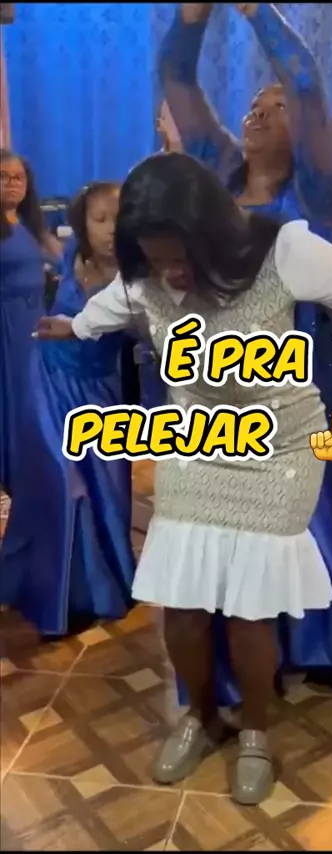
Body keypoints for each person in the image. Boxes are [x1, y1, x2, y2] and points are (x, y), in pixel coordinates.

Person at [35, 153, 332, 803]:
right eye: (156, 260)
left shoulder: (283, 252)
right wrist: (73, 325)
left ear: (211, 230)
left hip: (278, 450)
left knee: (249, 608)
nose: (171, 272)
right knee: (182, 607)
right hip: (196, 445)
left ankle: (255, 732)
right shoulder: (144, 274)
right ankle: (201, 716)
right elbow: (110, 305)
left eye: (180, 257)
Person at [158, 2, 332, 694]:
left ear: (308, 129)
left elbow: (307, 82)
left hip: (307, 366)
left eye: (275, 106)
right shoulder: (219, 175)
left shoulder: (317, 190)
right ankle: (236, 655)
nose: (258, 112)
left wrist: (257, 11)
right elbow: (177, 80)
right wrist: (191, 20)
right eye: (252, 106)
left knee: (303, 510)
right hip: (222, 373)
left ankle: (311, 642)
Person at [0, 183, 136, 637]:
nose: (111, 229)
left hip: (99, 390)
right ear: (82, 223)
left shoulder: (138, 276)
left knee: (104, 489)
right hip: (46, 380)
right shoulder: (71, 250)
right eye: (100, 219)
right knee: (59, 480)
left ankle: (99, 584)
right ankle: (54, 588)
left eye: (120, 218)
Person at [0, 148, 62, 498]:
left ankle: (25, 471)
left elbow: (61, 259)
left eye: (18, 177)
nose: (12, 183)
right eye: (3, 176)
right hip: (6, 323)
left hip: (34, 320)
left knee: (30, 397)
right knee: (11, 395)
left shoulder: (29, 225)